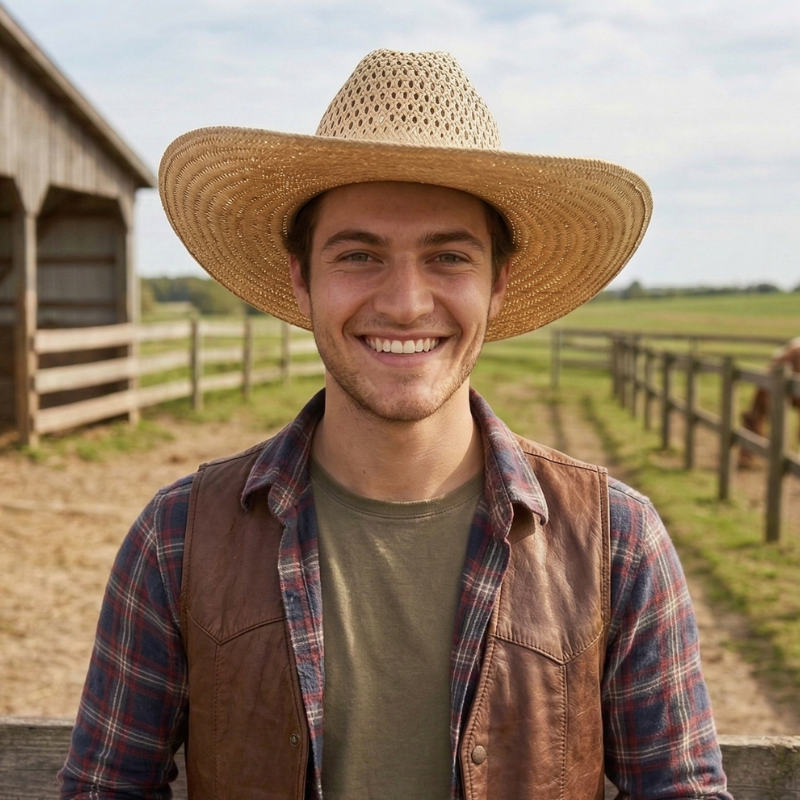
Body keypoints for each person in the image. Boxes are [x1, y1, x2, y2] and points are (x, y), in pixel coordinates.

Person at [60, 50, 732, 800]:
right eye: (359, 255)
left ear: (497, 283)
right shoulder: (178, 538)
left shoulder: (618, 543)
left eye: (448, 256)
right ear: (300, 276)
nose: (407, 303)